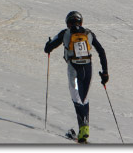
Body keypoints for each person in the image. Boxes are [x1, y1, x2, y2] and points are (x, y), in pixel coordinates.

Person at [44, 11, 108, 143]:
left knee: (76, 98)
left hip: (74, 68)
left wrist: (48, 45)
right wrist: (105, 72)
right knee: (85, 98)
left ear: (68, 22)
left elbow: (48, 48)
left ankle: (83, 129)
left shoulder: (65, 33)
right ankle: (84, 130)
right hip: (88, 68)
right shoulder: (89, 34)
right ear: (81, 22)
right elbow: (101, 51)